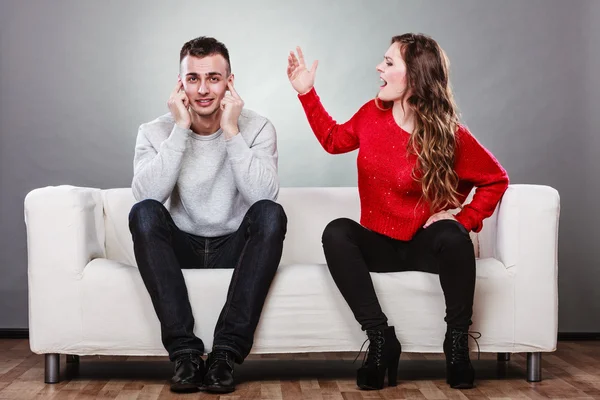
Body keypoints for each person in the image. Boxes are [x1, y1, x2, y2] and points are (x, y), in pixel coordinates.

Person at [287, 33, 509, 390]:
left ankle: (456, 345)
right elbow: (333, 140)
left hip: (424, 244)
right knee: (336, 232)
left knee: (454, 235)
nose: (379, 67)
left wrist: (465, 218)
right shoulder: (371, 115)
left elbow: (495, 179)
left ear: (415, 76)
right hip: (379, 244)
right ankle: (380, 341)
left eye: (389, 63)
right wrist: (305, 93)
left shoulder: (449, 133)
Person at [129, 36, 287, 394]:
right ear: (179, 84)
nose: (203, 89)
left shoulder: (257, 127)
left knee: (270, 214)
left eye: (214, 78)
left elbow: (265, 196)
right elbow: (145, 198)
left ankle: (225, 355)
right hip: (181, 245)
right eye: (193, 78)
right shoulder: (154, 131)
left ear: (230, 82)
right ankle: (185, 354)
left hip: (233, 246)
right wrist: (180, 129)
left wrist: (231, 131)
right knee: (145, 212)